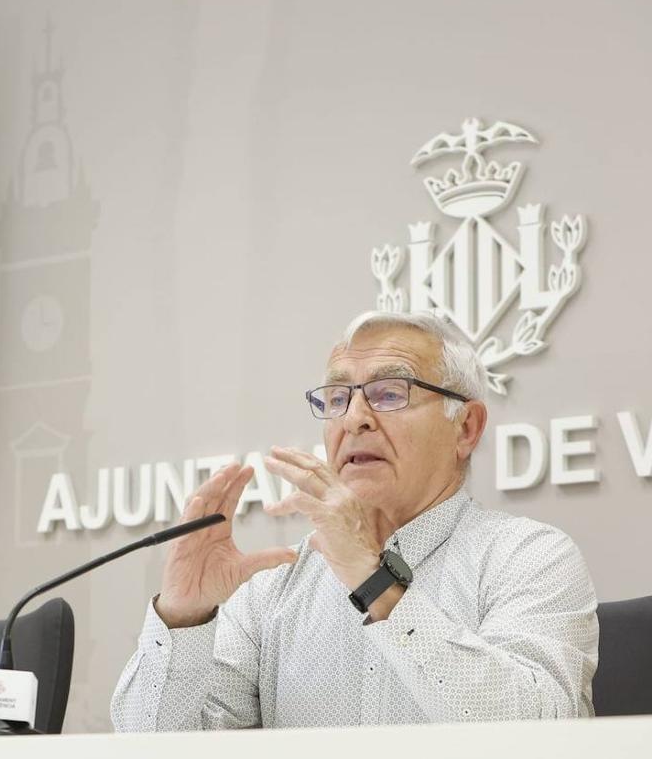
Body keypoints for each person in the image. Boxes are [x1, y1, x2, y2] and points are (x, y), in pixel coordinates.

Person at [111, 311, 598, 730]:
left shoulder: (530, 557)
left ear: (465, 428)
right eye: (338, 398)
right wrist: (183, 617)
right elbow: (155, 746)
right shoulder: (274, 586)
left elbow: (539, 730)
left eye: (389, 393)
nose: (354, 419)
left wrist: (373, 580)